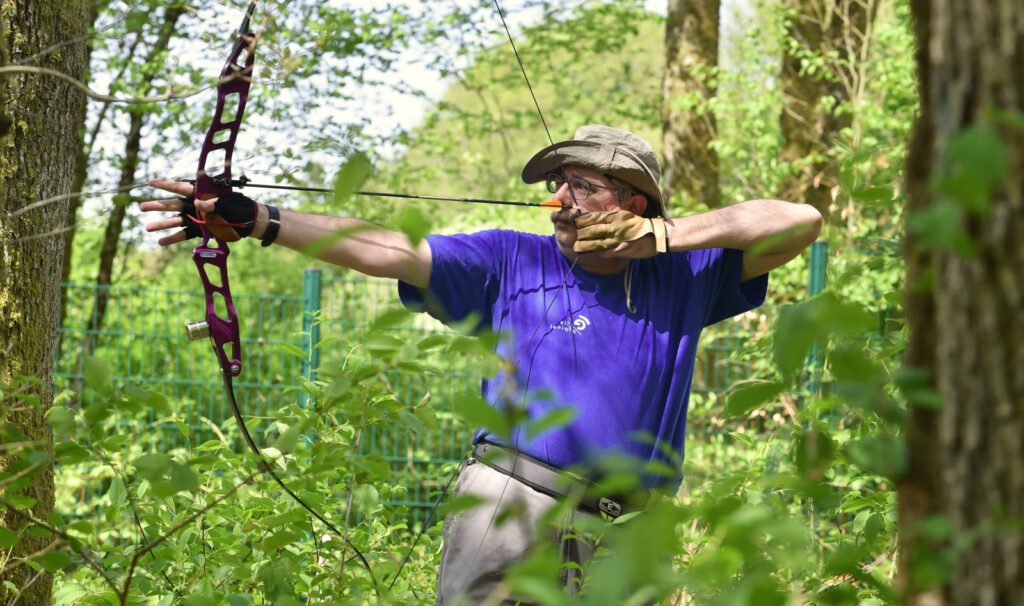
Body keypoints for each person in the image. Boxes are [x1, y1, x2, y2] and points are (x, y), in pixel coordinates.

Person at [141, 125, 822, 604]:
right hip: (513, 505)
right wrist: (262, 220)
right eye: (558, 186)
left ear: (633, 202)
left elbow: (800, 219)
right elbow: (387, 250)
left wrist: (664, 238)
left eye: (581, 186)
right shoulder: (509, 259)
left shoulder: (687, 273)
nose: (559, 200)